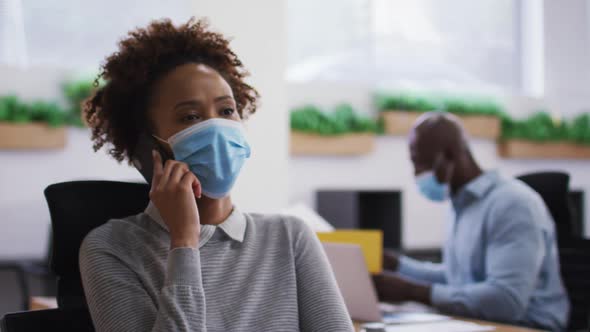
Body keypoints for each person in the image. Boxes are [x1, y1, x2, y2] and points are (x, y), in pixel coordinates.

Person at [78, 18, 353, 332]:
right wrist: (184, 242)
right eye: (190, 117)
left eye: (226, 111)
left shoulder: (289, 237)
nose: (217, 129)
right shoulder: (111, 248)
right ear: (149, 145)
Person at [373, 112, 570, 331]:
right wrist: (398, 266)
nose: (416, 174)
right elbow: (459, 278)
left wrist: (412, 291)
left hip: (527, 326)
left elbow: (506, 300)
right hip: (480, 323)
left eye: (420, 164)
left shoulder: (513, 204)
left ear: (448, 156)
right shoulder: (461, 204)